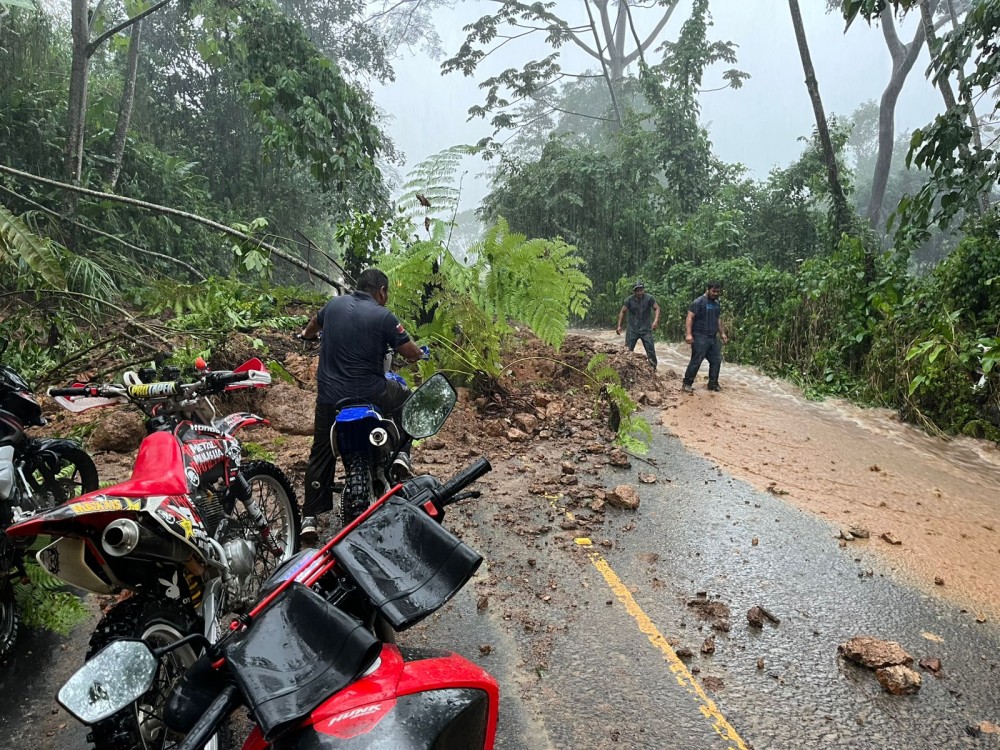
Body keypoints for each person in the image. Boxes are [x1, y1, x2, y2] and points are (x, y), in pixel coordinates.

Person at [299, 268, 424, 544]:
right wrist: (421, 353)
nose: (386, 298)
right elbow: (411, 353)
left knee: (321, 450)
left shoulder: (332, 306)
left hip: (331, 398)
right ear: (381, 291)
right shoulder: (384, 316)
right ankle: (402, 455)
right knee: (407, 399)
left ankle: (309, 518)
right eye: (386, 293)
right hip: (373, 393)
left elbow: (310, 328)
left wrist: (306, 337)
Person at [682, 280, 728, 393]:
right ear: (707, 290)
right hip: (699, 337)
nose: (715, 294)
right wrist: (688, 334)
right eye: (713, 291)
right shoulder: (698, 302)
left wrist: (722, 333)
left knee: (716, 360)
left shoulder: (716, 303)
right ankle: (687, 384)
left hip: (712, 338)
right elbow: (689, 317)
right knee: (696, 360)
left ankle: (713, 384)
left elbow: (718, 319)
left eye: (718, 292)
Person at [616, 279, 660, 369]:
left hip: (646, 329)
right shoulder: (629, 300)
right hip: (633, 329)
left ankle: (653, 368)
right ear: (634, 291)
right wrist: (619, 326)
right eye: (637, 290)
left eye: (641, 290)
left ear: (643, 290)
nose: (639, 292)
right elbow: (622, 312)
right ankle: (626, 368)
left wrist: (655, 321)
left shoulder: (649, 298)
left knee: (651, 350)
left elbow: (657, 308)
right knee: (627, 350)